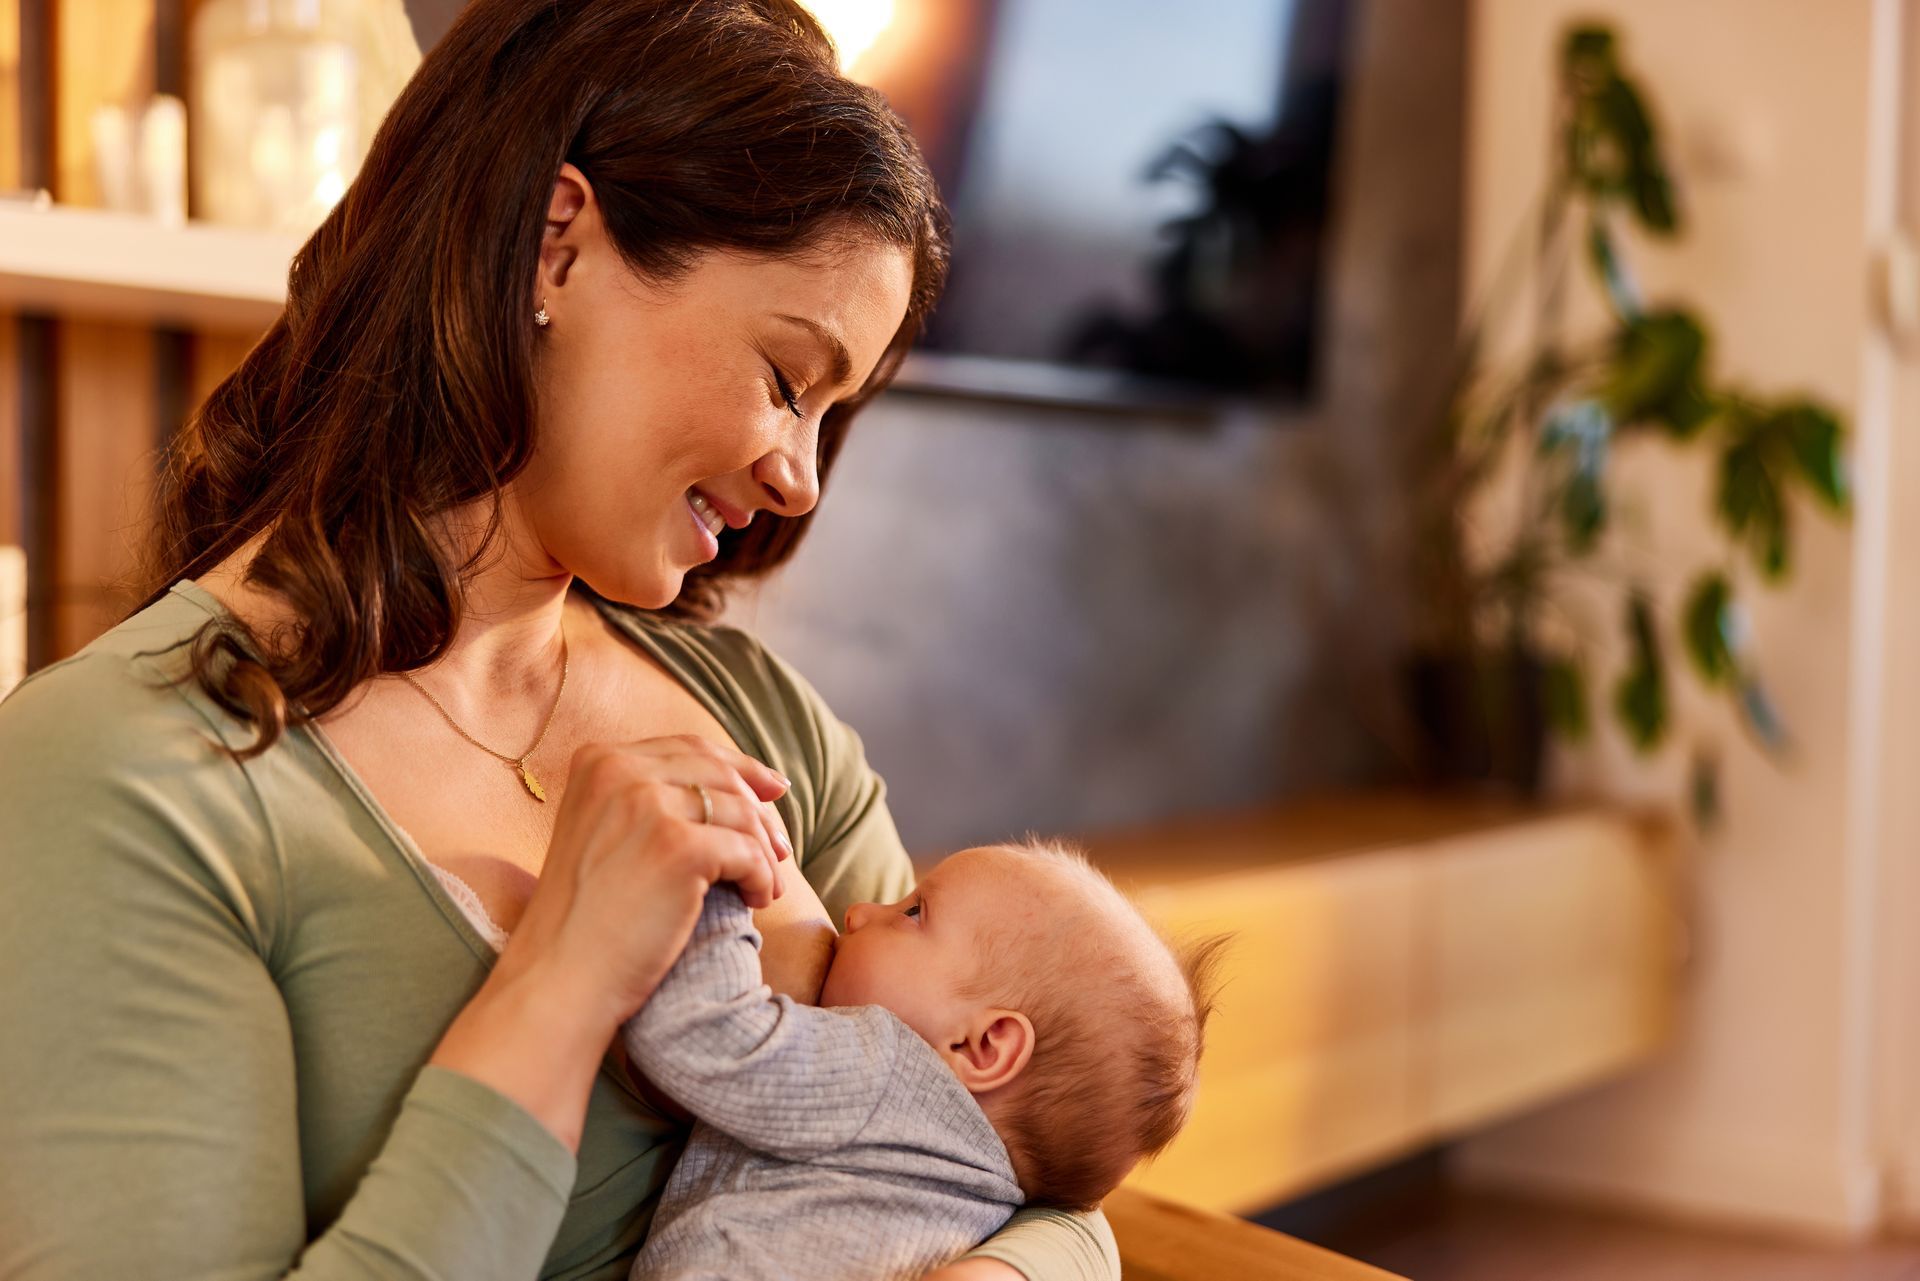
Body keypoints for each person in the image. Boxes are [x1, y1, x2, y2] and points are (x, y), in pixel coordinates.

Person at [0, 1, 1120, 1277]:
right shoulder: (112, 780)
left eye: (831, 415)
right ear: (557, 245)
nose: (803, 478)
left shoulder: (763, 723)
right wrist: (564, 979)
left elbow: (1025, 1170)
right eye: (785, 377)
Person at [557, 839, 1225, 1278]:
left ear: (981, 1046)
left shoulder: (889, 1067)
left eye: (912, 911)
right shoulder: (987, 1191)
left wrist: (718, 882)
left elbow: (702, 1039)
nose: (857, 912)